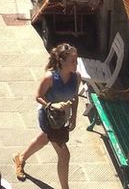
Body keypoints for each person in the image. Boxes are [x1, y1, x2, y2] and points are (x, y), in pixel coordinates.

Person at [13, 43, 80, 189]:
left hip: (62, 119)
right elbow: (38, 96)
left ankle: (21, 157)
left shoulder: (76, 77)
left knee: (44, 139)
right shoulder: (50, 77)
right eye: (73, 61)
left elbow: (75, 97)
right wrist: (51, 105)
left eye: (76, 60)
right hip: (49, 118)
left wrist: (74, 116)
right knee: (64, 155)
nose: (76, 64)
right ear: (62, 62)